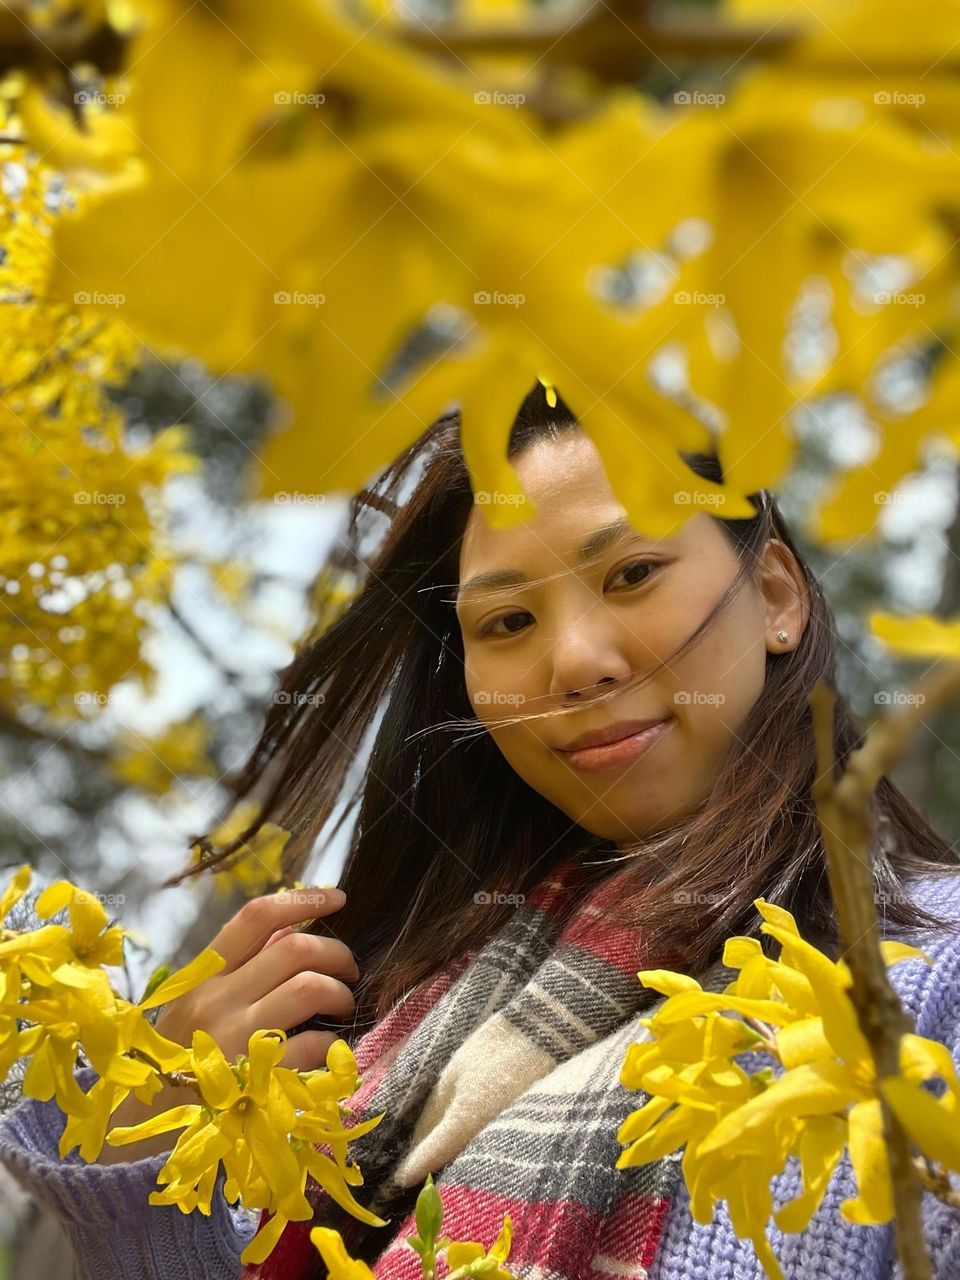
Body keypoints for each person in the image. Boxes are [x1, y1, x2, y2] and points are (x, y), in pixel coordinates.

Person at [3, 381, 960, 1280]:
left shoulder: (928, 986)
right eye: (505, 623)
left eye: (631, 571)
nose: (575, 662)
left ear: (779, 597)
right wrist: (152, 1163)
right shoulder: (360, 1030)